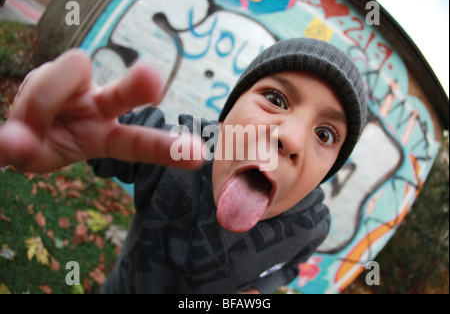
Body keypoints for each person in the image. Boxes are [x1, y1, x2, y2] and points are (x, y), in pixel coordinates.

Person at [0, 38, 367, 294]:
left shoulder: (312, 225)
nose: (292, 138)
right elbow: (116, 134)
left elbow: (287, 268)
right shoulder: (178, 151)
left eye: (324, 134)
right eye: (275, 99)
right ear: (228, 115)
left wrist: (255, 291)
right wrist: (63, 124)